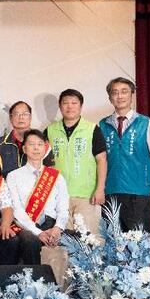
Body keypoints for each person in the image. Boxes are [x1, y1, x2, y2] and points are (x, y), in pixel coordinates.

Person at [100, 77, 150, 232]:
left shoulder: (145, 123)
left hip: (138, 191)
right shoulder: (103, 125)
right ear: (110, 98)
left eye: (124, 91)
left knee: (139, 240)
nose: (120, 96)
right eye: (115, 92)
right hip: (111, 190)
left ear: (132, 95)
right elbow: (99, 159)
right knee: (113, 240)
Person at [46, 89, 107, 237]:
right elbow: (45, 164)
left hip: (87, 195)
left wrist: (100, 189)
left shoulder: (92, 129)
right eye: (65, 103)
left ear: (81, 106)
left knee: (90, 239)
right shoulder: (50, 130)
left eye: (74, 103)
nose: (70, 106)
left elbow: (102, 160)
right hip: (59, 196)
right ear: (60, 106)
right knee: (64, 241)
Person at [7, 130, 69, 265]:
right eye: (31, 144)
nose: (36, 148)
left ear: (45, 148)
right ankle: (35, 278)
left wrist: (57, 228)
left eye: (40, 144)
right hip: (27, 226)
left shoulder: (56, 176)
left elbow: (63, 207)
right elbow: (16, 210)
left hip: (52, 224)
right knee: (29, 240)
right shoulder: (13, 176)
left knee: (80, 239)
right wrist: (38, 232)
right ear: (24, 149)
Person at [0, 101, 37, 177]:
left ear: (30, 117)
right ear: (10, 118)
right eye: (16, 114)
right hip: (7, 184)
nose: (21, 117)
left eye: (25, 114)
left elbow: (48, 173)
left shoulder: (42, 142)